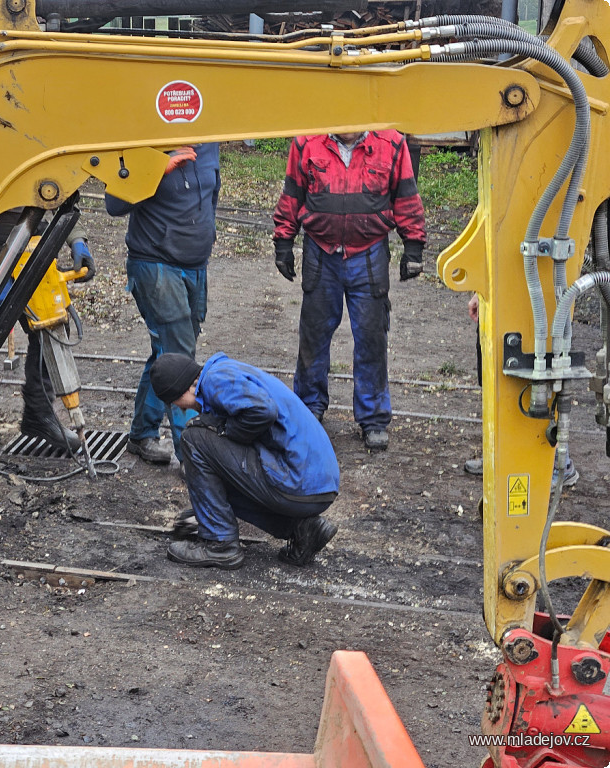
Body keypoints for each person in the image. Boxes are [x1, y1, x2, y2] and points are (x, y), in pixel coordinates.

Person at [272, 131, 426, 451]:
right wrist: (283, 242)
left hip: (368, 254)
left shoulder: (392, 143)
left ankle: (373, 419)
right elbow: (292, 195)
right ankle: (309, 408)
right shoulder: (306, 143)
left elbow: (406, 196)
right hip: (320, 252)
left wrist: (413, 246)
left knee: (371, 337)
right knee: (313, 336)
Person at [150, 352, 340, 570]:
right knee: (214, 466)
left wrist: (224, 429)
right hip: (317, 484)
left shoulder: (214, 381)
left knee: (194, 439)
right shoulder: (225, 372)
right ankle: (302, 528)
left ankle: (219, 544)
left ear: (181, 389)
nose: (181, 408)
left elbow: (263, 411)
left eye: (175, 402)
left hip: (299, 481)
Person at [105, 143, 221, 465]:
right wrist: (156, 169)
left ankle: (142, 434)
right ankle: (191, 457)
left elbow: (212, 193)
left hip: (196, 264)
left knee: (167, 352)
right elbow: (113, 203)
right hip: (155, 263)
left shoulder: (212, 142)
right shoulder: (146, 140)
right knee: (180, 355)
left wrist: (205, 237)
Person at [0, 213, 95, 463]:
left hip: (30, 244)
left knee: (52, 329)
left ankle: (40, 414)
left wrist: (77, 238)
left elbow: (62, 187)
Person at [463, 293, 579, 485]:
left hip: (543, 294)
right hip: (503, 295)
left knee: (545, 369)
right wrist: (481, 292)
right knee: (497, 375)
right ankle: (501, 457)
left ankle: (559, 463)